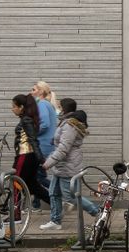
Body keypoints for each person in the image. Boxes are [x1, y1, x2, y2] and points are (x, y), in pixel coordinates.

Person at [39, 98, 98, 230]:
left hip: (68, 165)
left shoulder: (70, 125)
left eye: (59, 106)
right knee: (53, 193)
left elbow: (63, 148)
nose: (57, 109)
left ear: (65, 109)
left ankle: (97, 212)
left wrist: (47, 163)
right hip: (61, 165)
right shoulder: (65, 122)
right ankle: (55, 221)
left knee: (71, 197)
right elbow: (60, 141)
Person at [10, 92, 48, 208]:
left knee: (16, 183)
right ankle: (56, 205)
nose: (12, 109)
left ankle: (15, 215)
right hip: (29, 157)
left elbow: (33, 140)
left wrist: (41, 159)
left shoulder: (26, 120)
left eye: (14, 106)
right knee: (33, 186)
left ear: (21, 107)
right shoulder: (27, 119)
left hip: (24, 156)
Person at [31, 80, 58, 210]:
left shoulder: (42, 104)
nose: (31, 92)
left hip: (42, 146)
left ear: (40, 91)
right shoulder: (47, 104)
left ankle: (62, 194)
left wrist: (31, 132)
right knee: (37, 176)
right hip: (47, 145)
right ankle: (35, 205)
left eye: (34, 89)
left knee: (38, 177)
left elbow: (45, 124)